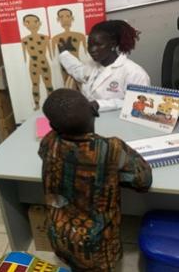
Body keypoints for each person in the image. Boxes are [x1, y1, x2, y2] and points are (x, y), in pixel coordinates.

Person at [38, 88, 152, 272]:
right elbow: (143, 180)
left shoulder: (49, 141)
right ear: (94, 110)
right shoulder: (111, 148)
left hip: (60, 237)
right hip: (97, 249)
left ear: (53, 126)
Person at [58, 20, 150, 112]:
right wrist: (64, 54)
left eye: (98, 45)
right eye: (90, 45)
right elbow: (77, 70)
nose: (92, 50)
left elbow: (138, 105)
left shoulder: (135, 73)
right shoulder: (92, 65)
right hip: (91, 119)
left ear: (113, 44)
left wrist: (100, 104)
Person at [21, 14, 54, 110]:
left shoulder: (46, 38)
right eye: (28, 22)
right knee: (35, 84)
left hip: (44, 62)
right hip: (33, 64)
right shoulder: (24, 40)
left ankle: (51, 104)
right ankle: (37, 104)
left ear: (39, 23)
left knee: (48, 84)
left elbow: (51, 54)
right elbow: (24, 57)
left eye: (35, 21)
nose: (32, 24)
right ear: (24, 24)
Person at [52, 8, 87, 83]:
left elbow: (86, 52)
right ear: (58, 19)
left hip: (78, 65)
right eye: (61, 17)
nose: (65, 19)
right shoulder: (55, 38)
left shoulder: (80, 36)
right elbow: (54, 56)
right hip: (64, 67)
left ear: (72, 18)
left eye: (67, 16)